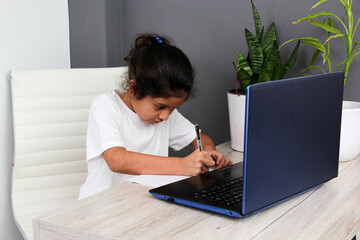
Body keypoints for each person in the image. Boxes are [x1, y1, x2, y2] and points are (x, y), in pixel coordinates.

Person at [78, 33, 232, 200]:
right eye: (160, 106)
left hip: (143, 204)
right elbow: (117, 160)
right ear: (134, 89)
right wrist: (182, 165)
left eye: (174, 108)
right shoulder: (105, 106)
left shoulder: (165, 115)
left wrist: (209, 152)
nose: (166, 116)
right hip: (103, 206)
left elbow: (202, 138)